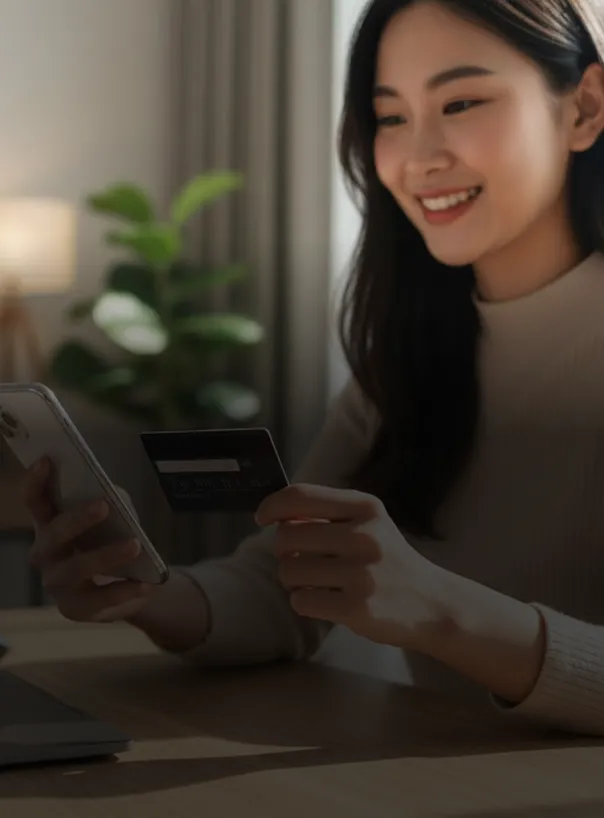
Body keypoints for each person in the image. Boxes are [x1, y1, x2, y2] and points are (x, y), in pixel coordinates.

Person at [21, 0, 604, 736]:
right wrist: (141, 589)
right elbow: (279, 590)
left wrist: (439, 607)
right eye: (390, 117)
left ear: (585, 107)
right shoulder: (410, 351)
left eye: (461, 101)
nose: (418, 156)